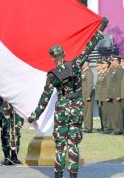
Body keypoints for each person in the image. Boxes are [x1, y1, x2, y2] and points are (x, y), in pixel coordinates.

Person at [27, 17, 107, 178]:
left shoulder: (52, 75)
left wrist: (34, 115)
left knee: (60, 146)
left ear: (52, 58)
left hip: (62, 109)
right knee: (74, 144)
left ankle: (58, 175)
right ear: (64, 54)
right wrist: (101, 28)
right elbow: (89, 47)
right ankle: (73, 175)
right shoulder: (76, 65)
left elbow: (45, 97)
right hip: (76, 107)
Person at [0, 99, 24, 166]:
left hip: (17, 104)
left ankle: (14, 156)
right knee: (5, 131)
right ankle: (7, 157)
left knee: (16, 131)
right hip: (5, 102)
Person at [107, 55, 123, 135]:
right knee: (113, 113)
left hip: (116, 94)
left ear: (117, 61)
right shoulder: (113, 70)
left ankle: (119, 129)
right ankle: (115, 128)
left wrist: (118, 94)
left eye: (113, 60)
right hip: (112, 94)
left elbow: (119, 83)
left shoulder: (119, 70)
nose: (111, 62)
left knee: (117, 113)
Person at [95, 60, 110, 134]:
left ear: (107, 65)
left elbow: (107, 86)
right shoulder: (101, 73)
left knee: (106, 113)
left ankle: (107, 127)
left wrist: (107, 96)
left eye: (102, 64)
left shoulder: (107, 73)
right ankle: (104, 127)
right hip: (100, 95)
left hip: (105, 96)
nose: (97, 67)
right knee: (102, 113)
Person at [80, 60, 94, 133]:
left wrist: (88, 95)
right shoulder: (83, 71)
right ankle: (86, 126)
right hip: (83, 95)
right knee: (84, 112)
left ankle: (88, 128)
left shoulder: (88, 72)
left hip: (87, 95)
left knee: (88, 112)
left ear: (86, 63)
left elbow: (90, 84)